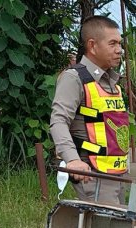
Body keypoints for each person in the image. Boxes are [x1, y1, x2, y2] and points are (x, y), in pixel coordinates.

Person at [50, 15, 128, 205]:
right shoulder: (74, 78)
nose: (120, 50)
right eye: (113, 44)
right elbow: (58, 121)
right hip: (92, 173)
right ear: (93, 46)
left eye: (120, 44)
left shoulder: (112, 83)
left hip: (116, 172)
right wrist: (72, 160)